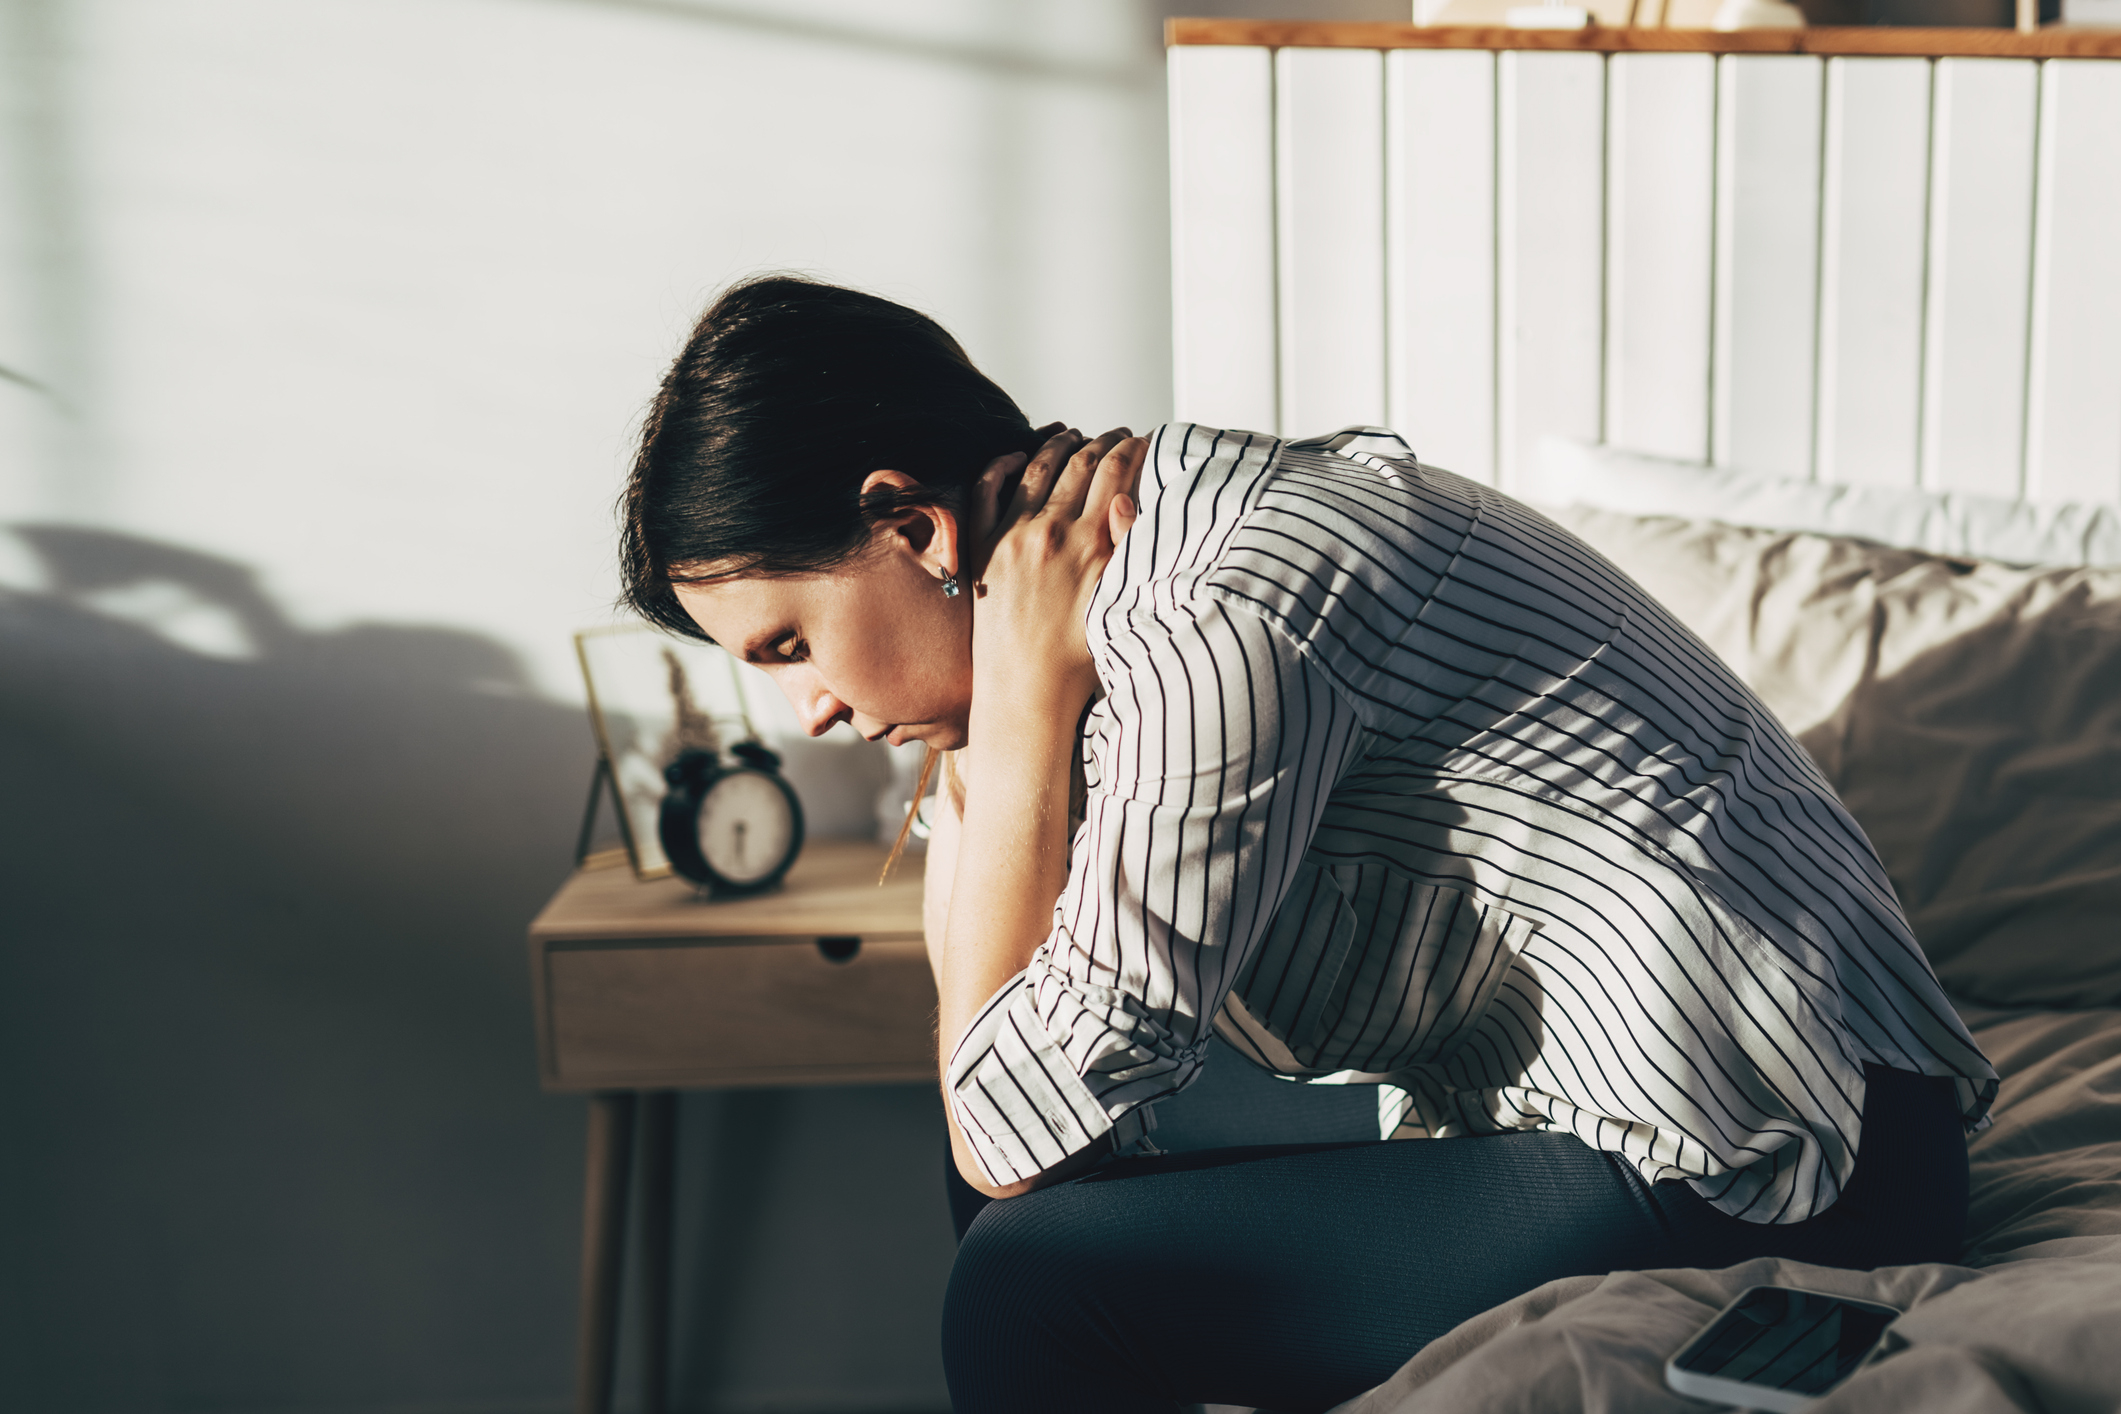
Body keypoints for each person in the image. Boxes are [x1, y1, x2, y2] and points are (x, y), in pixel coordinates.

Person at [619, 275, 1999, 1414]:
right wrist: (997, 730)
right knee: (1021, 1173)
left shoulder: (1207, 620)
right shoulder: (1122, 572)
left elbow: (1005, 1125)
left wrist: (1021, 716)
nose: (805, 705)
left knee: (1028, 1279)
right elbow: (1001, 1073)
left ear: (913, 524)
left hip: (1769, 1155)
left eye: (791, 642)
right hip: (1683, 1099)